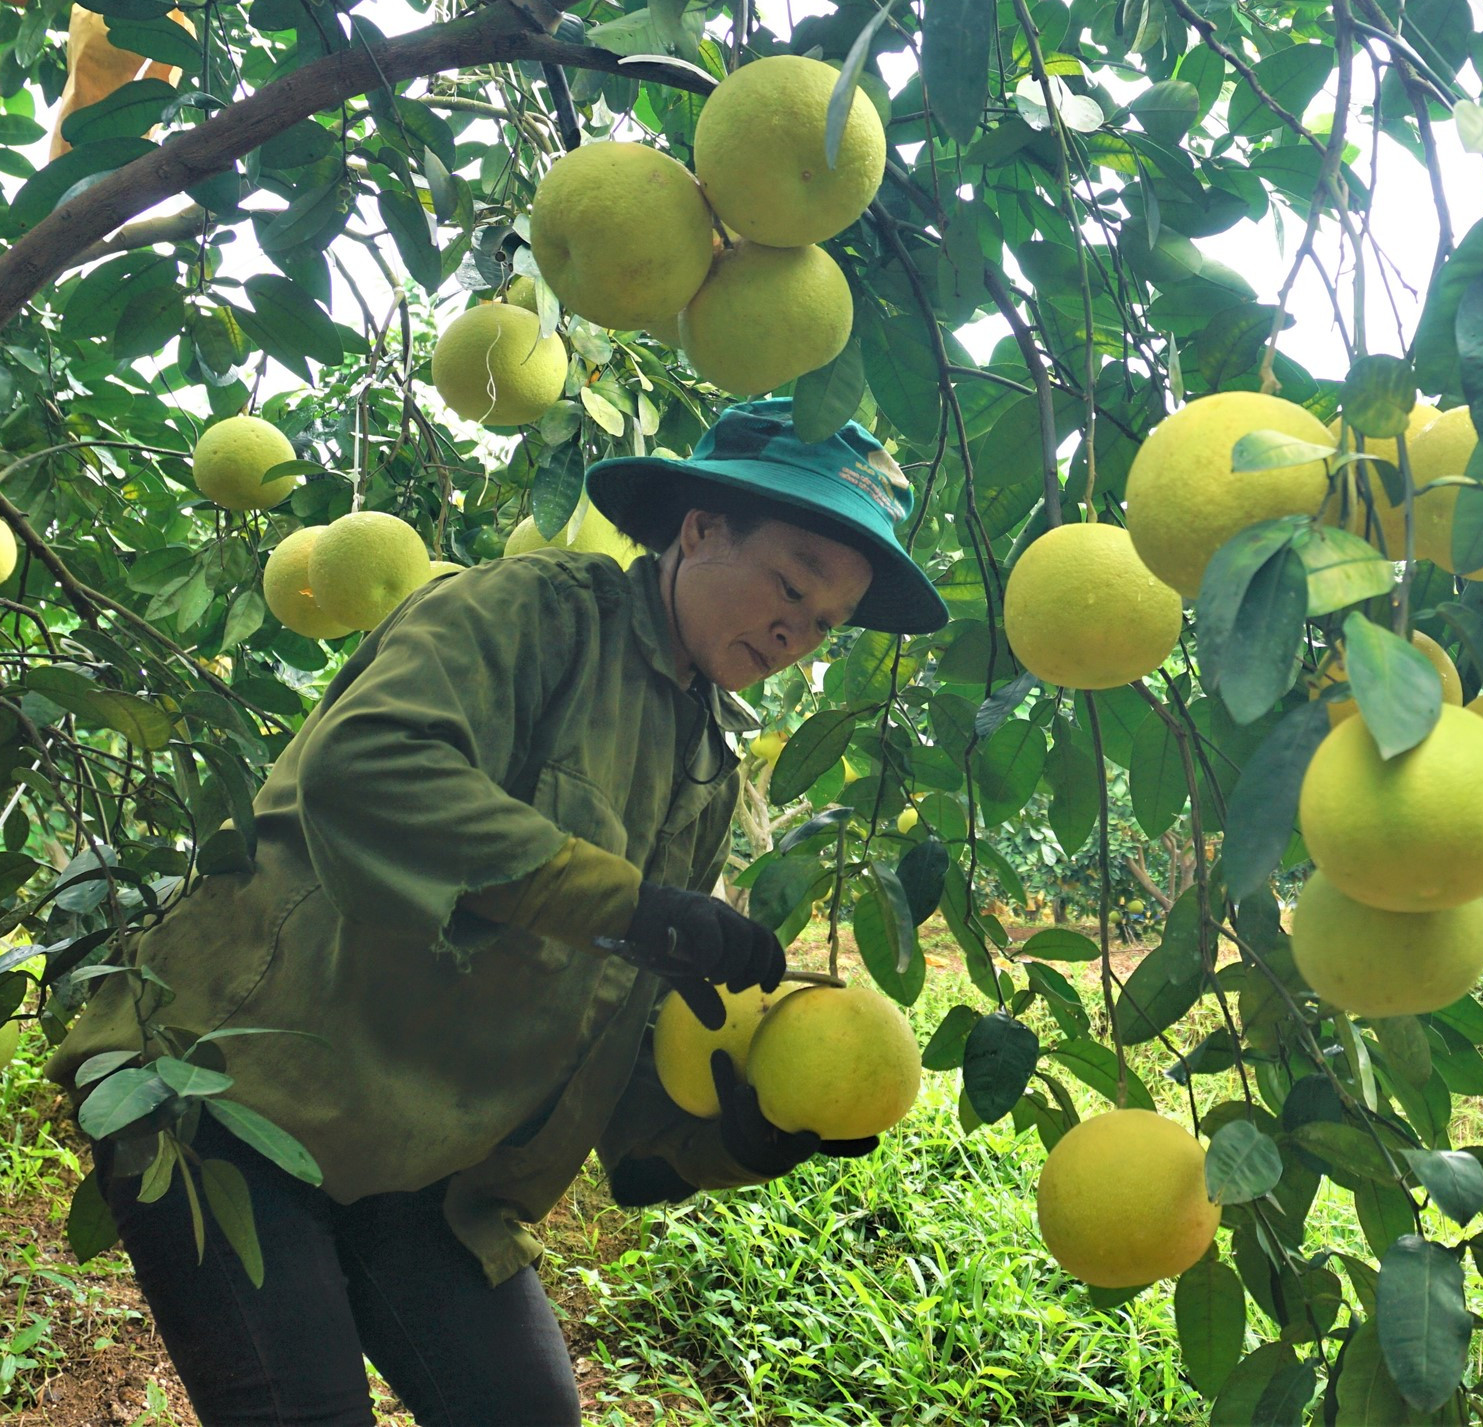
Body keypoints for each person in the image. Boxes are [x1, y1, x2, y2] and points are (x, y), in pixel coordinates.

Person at [46, 399, 947, 1426]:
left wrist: (737, 1135)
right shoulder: (535, 609)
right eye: (790, 584)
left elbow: (611, 1019)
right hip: (239, 1089)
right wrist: (631, 903)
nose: (798, 631)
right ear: (698, 527)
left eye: (826, 620)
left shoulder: (707, 761)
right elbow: (370, 768)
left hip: (428, 1164)